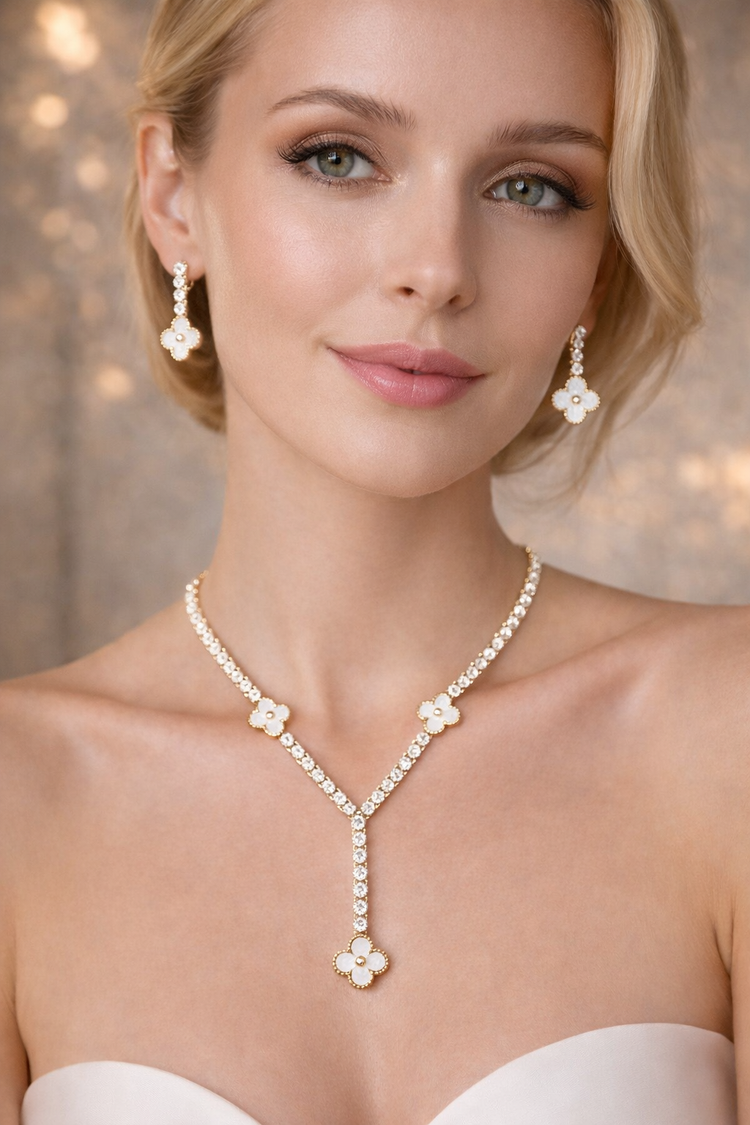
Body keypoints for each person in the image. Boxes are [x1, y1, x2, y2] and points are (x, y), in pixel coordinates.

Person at [1, 0, 747, 1120]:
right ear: (172, 196)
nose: (436, 269)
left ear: (598, 263)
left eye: (532, 186)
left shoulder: (727, 732)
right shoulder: (20, 796)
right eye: (337, 157)